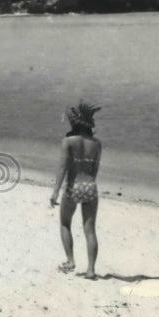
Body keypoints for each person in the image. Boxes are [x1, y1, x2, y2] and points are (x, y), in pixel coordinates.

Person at [50, 101, 103, 278]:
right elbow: (95, 170)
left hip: (73, 186)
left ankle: (71, 260)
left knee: (65, 223)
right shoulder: (96, 144)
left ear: (75, 123)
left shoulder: (68, 141)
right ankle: (91, 270)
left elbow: (63, 167)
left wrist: (56, 191)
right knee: (90, 230)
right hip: (90, 186)